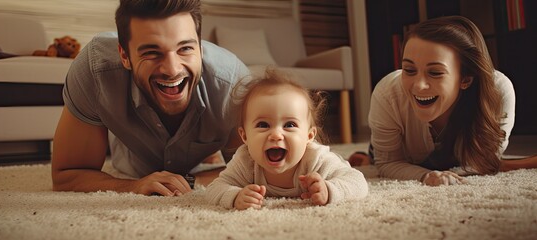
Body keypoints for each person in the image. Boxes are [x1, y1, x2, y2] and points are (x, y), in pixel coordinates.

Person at [51, 0, 250, 196]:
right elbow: (67, 175)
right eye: (152, 53)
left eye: (185, 48)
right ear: (124, 56)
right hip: (130, 159)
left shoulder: (234, 85)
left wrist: (188, 181)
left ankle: (211, 152)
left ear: (200, 46)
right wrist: (132, 186)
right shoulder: (95, 72)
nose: (172, 70)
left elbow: (257, 170)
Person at [349, 15, 537, 186]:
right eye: (409, 70)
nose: (418, 86)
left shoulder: (498, 92)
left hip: (454, 153)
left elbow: (482, 162)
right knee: (374, 157)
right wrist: (425, 176)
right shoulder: (387, 93)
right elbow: (389, 163)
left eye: (435, 72)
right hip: (401, 148)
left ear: (465, 79)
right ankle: (365, 157)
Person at [205, 68, 368, 210]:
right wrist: (235, 197)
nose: (276, 135)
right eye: (263, 124)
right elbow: (214, 189)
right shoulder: (246, 161)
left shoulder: (315, 160)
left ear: (309, 136)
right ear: (245, 136)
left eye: (289, 125)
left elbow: (358, 182)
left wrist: (329, 189)